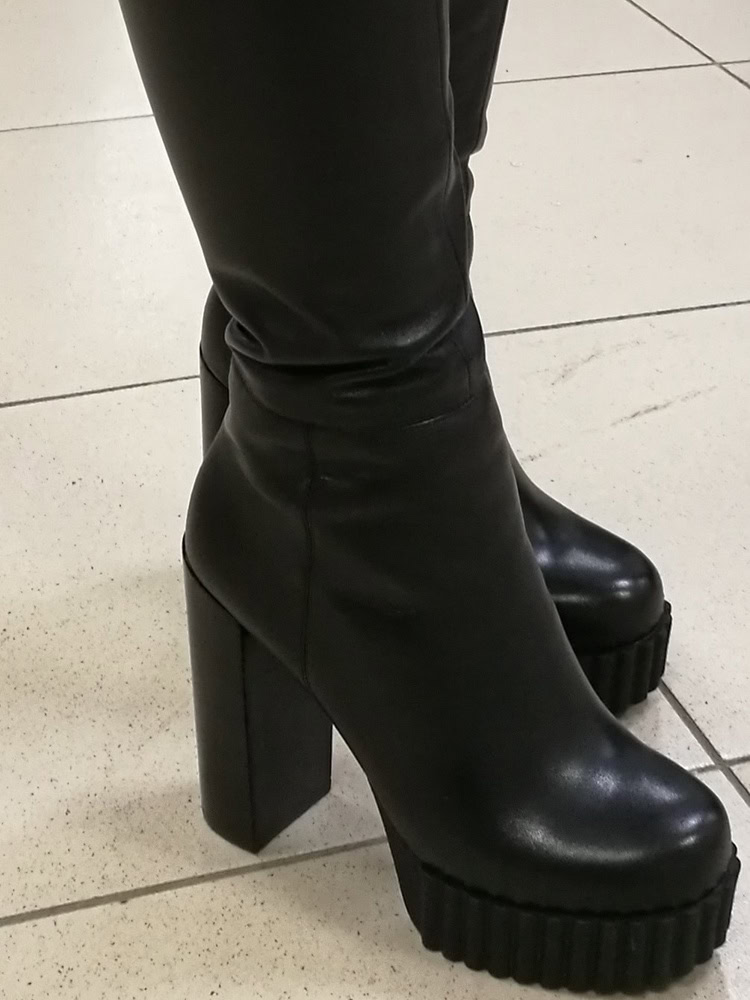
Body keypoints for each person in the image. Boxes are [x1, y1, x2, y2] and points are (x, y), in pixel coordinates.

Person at [118, 0, 739, 991]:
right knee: (349, 350)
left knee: (384, 230)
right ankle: (356, 455)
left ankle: (360, 438)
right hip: (355, 455)